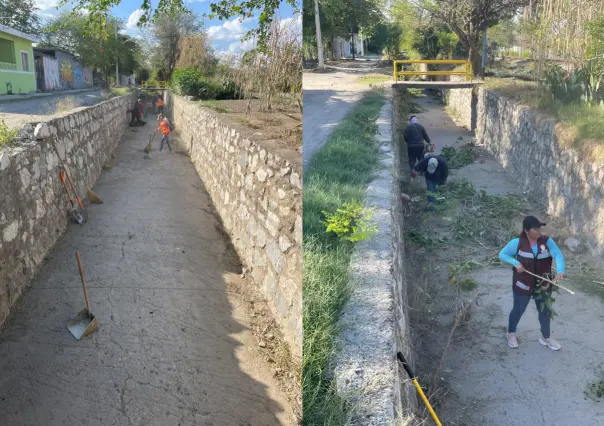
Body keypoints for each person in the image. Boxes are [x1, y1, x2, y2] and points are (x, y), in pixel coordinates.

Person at [499, 216, 565, 351]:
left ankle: (545, 337)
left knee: (545, 311)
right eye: (535, 228)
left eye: (540, 227)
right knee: (518, 309)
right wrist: (516, 263)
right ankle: (511, 334)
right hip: (522, 283)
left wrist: (560, 270)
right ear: (526, 230)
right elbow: (503, 255)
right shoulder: (516, 243)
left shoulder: (547, 242)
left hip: (543, 284)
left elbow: (558, 255)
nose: (539, 230)